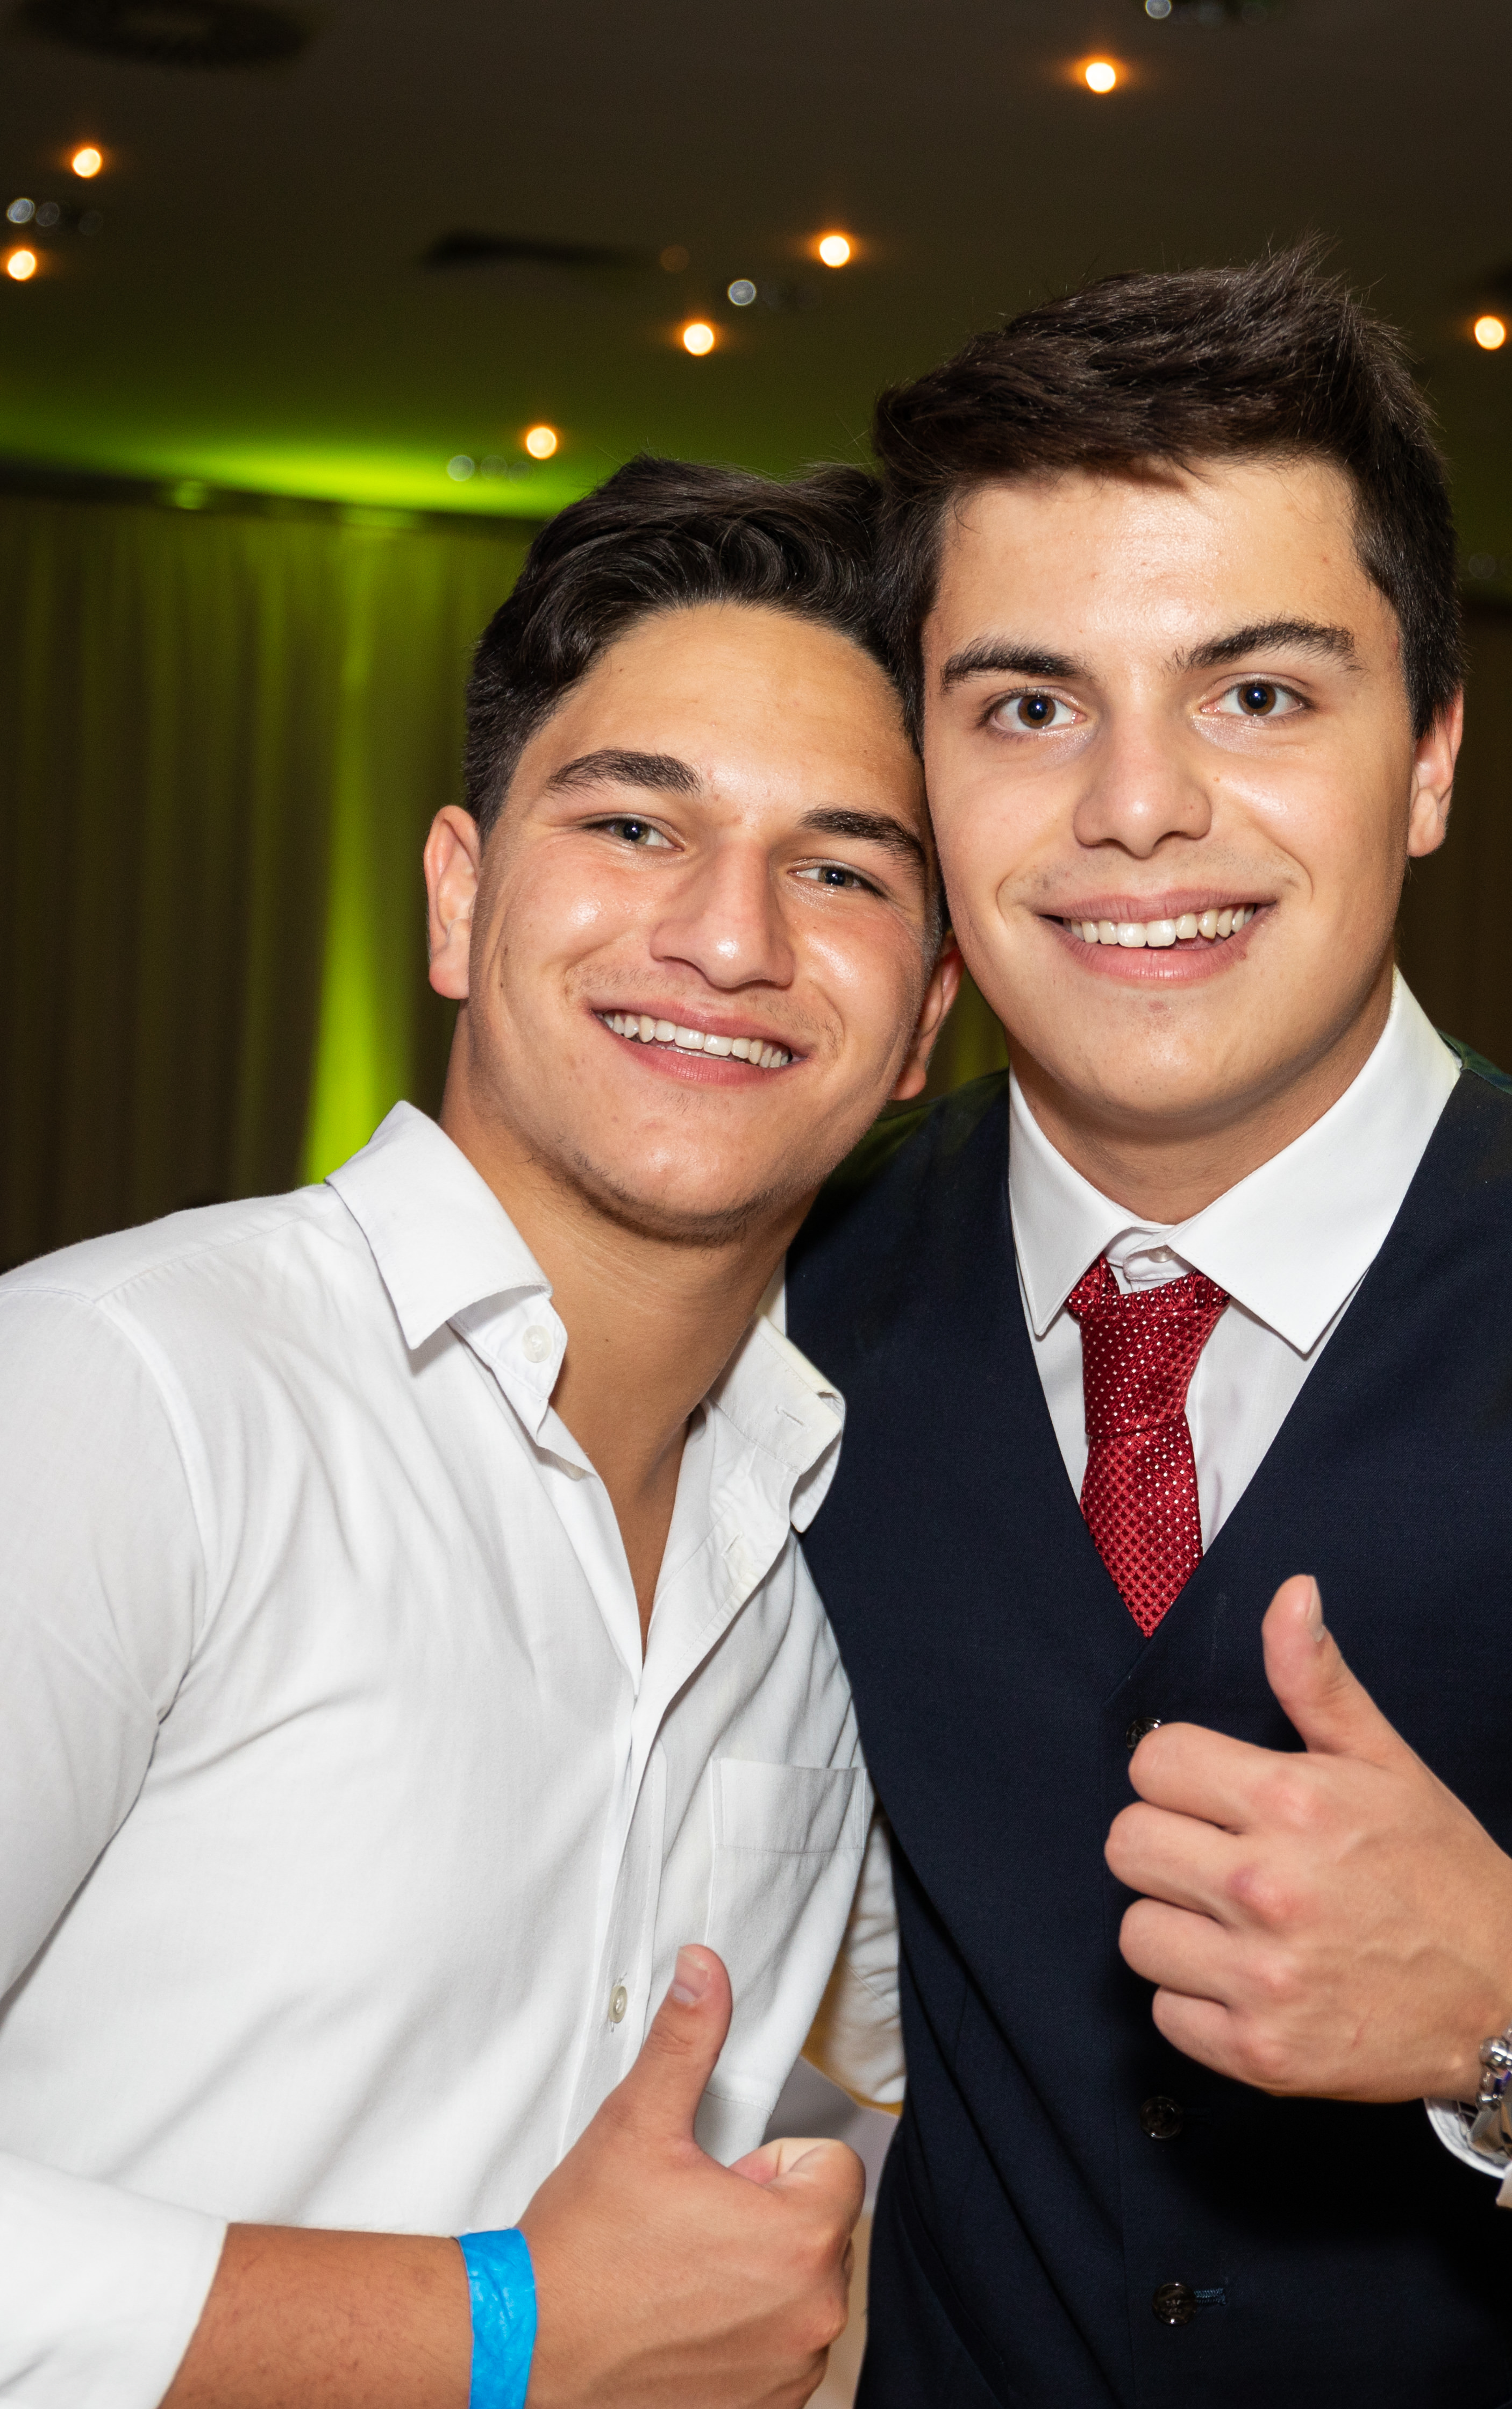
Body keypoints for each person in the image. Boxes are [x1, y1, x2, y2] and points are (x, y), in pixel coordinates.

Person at [786, 254, 1512, 2404]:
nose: (1135, 805)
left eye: (1257, 695)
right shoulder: (772, 1297)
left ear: (1427, 756)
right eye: (1030, 706)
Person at [0, 457, 956, 2409]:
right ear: (459, 898)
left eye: (842, 871)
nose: (730, 937)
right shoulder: (131, 1392)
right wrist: (509, 2329)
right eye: (635, 823)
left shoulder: (835, 1548)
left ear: (928, 1018)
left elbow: (961, 2086)